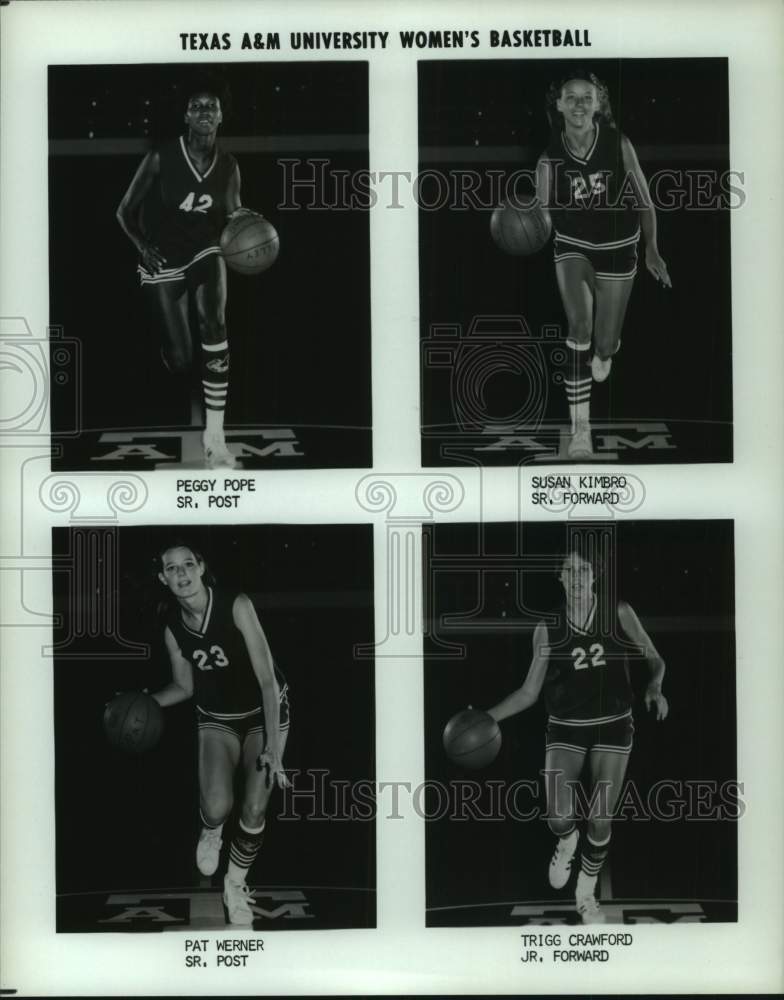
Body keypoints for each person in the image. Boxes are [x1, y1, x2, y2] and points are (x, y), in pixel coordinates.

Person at [487, 536, 668, 924]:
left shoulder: (618, 612)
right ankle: (567, 841)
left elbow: (655, 658)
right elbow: (528, 692)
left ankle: (586, 892)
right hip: (567, 726)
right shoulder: (548, 628)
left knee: (601, 817)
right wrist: (489, 717)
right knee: (557, 817)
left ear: (595, 574)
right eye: (569, 571)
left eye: (583, 569)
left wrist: (654, 686)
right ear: (559, 577)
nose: (576, 577)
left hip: (613, 725)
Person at [150, 541, 290, 926]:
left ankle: (235, 883)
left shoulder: (236, 604)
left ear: (201, 567)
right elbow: (184, 687)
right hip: (216, 717)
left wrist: (274, 749)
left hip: (264, 713)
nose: (182, 573)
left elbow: (266, 680)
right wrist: (145, 704)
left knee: (256, 807)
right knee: (216, 807)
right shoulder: (173, 627)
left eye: (188, 564)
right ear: (163, 578)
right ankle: (211, 831)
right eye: (172, 568)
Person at [535, 71, 672, 459]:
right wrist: (522, 226)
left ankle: (606, 352)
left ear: (598, 104)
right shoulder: (548, 161)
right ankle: (581, 429)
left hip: (618, 246)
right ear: (558, 105)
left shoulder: (618, 144)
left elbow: (645, 201)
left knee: (605, 343)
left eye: (586, 97)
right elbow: (541, 222)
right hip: (573, 245)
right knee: (578, 326)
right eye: (570, 97)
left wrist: (652, 249)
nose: (578, 104)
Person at [116, 78, 252, 469]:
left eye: (212, 106)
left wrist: (248, 224)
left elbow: (232, 213)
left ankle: (216, 435)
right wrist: (143, 246)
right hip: (163, 258)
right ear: (186, 116)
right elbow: (124, 211)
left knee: (215, 323)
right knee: (180, 359)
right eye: (197, 106)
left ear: (222, 116)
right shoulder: (161, 157)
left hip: (206, 249)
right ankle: (172, 351)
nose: (205, 111)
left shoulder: (229, 165)